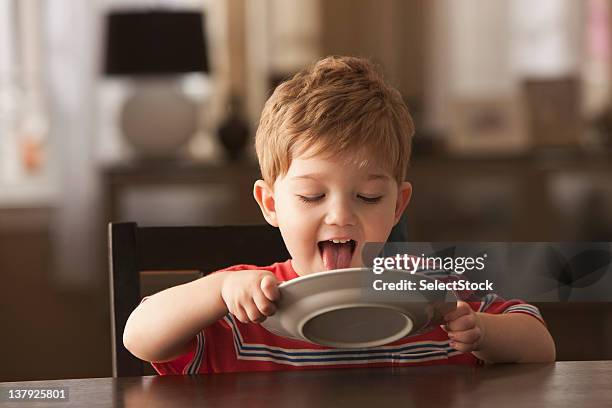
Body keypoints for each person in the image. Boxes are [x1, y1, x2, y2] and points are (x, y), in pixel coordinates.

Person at [123, 56, 556, 375]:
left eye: (368, 197)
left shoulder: (430, 292)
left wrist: (480, 330)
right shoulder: (251, 304)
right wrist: (220, 289)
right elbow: (139, 337)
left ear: (397, 205)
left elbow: (540, 344)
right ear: (271, 204)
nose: (340, 216)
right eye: (312, 196)